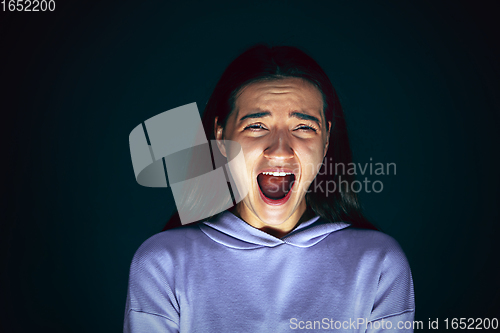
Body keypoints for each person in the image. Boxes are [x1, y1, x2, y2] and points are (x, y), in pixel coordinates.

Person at [123, 44, 415, 332]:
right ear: (221, 137)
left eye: (303, 127)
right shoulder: (162, 263)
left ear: (326, 141)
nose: (280, 150)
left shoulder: (379, 264)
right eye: (257, 126)